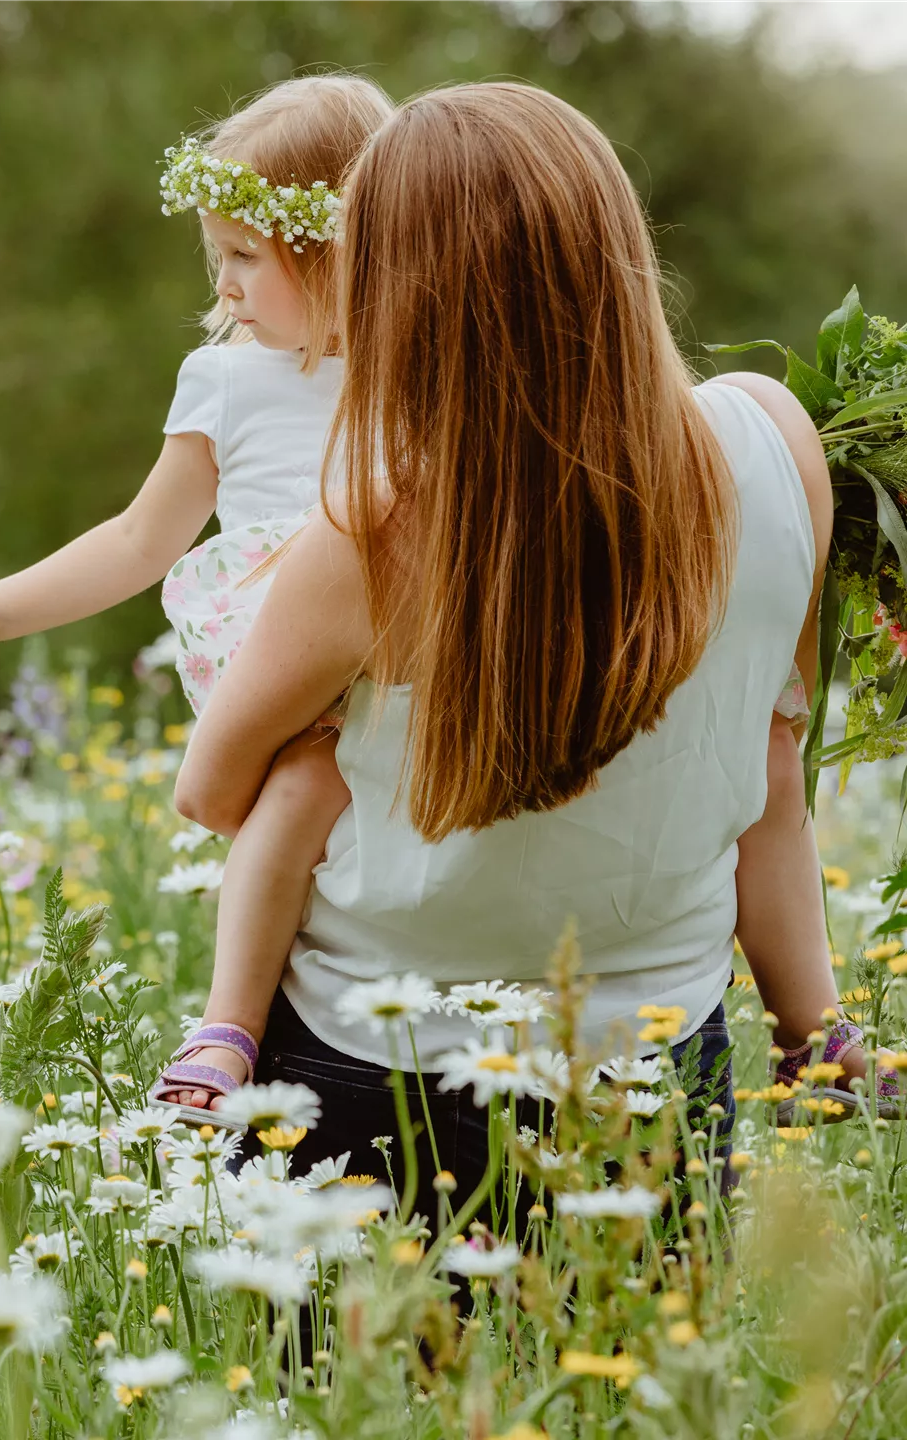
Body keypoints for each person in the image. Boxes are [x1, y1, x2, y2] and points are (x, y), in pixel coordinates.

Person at [171, 82, 896, 1187]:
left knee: (340, 1373)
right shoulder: (777, 442)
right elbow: (772, 761)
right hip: (663, 1071)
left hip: (381, 1076)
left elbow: (212, 792)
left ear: (395, 294)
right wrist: (809, 1029)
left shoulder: (378, 531)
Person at [0, 75, 394, 1116]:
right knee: (302, 794)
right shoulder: (226, 382)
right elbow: (138, 538)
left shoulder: (426, 368)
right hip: (285, 649)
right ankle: (230, 1025)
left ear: (338, 249)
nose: (230, 285)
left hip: (415, 638)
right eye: (221, 260)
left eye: (249, 256)